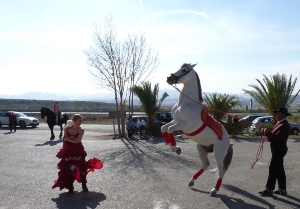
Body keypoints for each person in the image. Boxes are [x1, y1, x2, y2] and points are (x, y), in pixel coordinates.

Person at [52, 114, 103, 194]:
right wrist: (64, 150)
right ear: (74, 121)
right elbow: (64, 140)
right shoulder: (67, 128)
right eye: (79, 120)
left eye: (81, 120)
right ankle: (70, 186)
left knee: (82, 168)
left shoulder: (81, 130)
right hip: (68, 151)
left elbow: (77, 141)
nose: (81, 122)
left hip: (78, 151)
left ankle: (84, 185)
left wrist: (68, 139)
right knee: (69, 168)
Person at [259, 107, 291, 196]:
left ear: (284, 115)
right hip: (276, 148)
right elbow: (273, 136)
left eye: (279, 114)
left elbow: (277, 137)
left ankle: (269, 189)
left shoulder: (285, 125)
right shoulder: (279, 123)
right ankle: (282, 189)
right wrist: (265, 132)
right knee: (279, 169)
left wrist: (268, 132)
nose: (277, 115)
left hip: (279, 148)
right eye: (277, 114)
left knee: (273, 168)